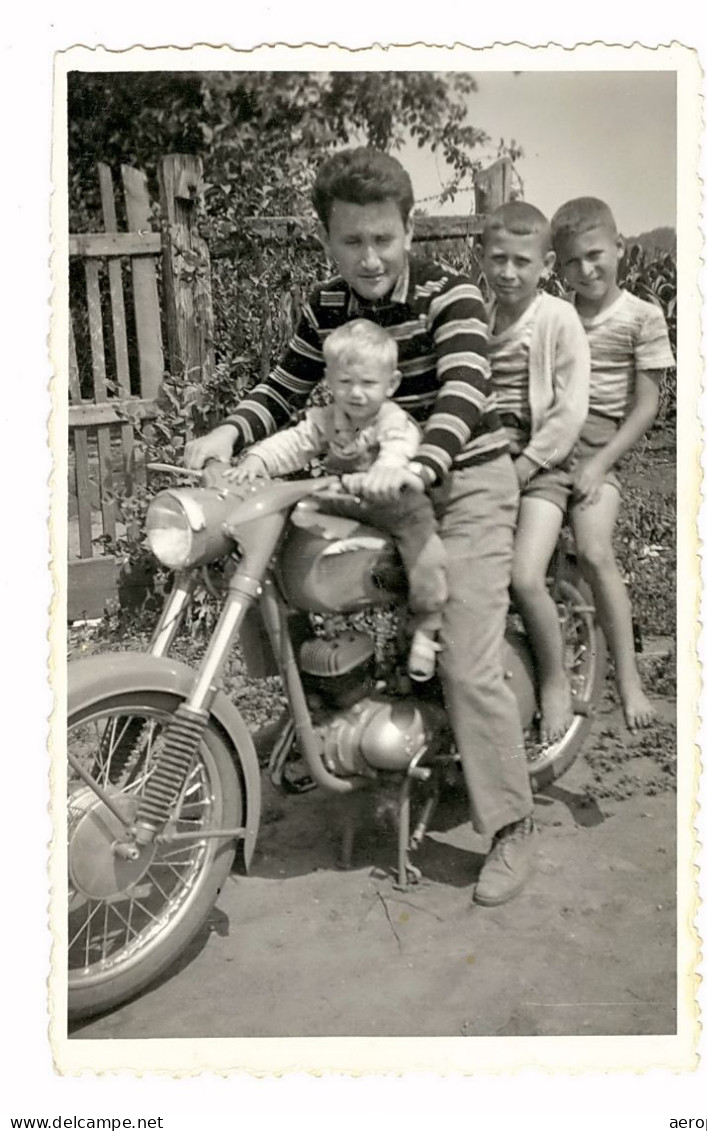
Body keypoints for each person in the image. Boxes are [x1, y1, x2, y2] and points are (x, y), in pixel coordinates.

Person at [185, 146, 533, 907]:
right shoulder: (328, 307)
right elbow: (287, 384)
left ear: (410, 231)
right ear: (328, 241)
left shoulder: (454, 297)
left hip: (463, 476)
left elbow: (466, 392)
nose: (369, 257)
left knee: (468, 656)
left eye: (382, 238)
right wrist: (230, 432)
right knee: (271, 543)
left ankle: (509, 826)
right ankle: (316, 715)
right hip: (366, 482)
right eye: (352, 241)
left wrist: (423, 464)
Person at [225, 318, 447, 681]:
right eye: (345, 382)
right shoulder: (327, 418)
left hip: (397, 506)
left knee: (427, 554)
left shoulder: (392, 419)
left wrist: (387, 472)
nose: (356, 393)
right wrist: (257, 460)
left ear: (390, 385)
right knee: (290, 523)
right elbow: (295, 443)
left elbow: (399, 447)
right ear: (329, 381)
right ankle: (298, 623)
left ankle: (427, 626)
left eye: (368, 384)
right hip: (346, 499)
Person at [550, 196, 676, 730]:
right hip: (550, 446)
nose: (587, 269)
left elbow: (647, 407)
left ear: (621, 249)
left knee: (596, 551)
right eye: (573, 261)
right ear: (559, 268)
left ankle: (628, 679)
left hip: (602, 447)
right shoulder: (554, 316)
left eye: (596, 254)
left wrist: (600, 465)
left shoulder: (641, 318)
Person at [482, 202, 590, 742]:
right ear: (481, 258)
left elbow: (570, 410)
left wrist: (525, 466)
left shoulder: (556, 319)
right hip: (487, 463)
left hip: (543, 466)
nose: (508, 272)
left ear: (545, 264)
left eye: (521, 262)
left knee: (525, 577)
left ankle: (554, 681)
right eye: (498, 259)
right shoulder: (481, 319)